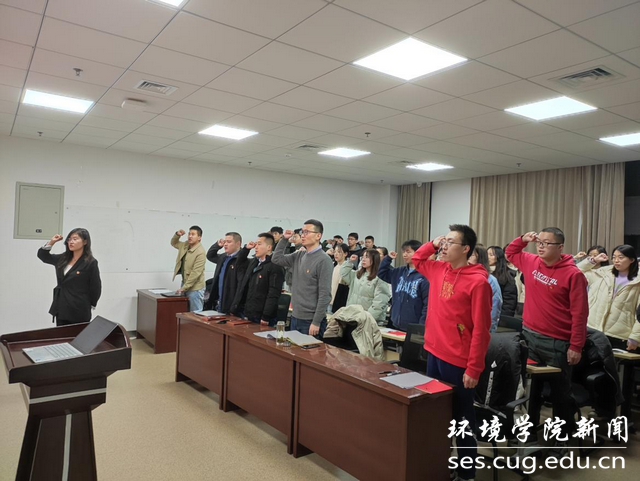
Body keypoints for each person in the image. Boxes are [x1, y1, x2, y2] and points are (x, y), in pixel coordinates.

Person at [412, 225, 492, 481]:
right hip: (434, 353)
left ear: (466, 249)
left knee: (462, 419)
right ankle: (440, 465)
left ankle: (467, 473)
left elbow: (481, 330)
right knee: (438, 415)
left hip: (458, 361)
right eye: (443, 242)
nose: (444, 247)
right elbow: (417, 259)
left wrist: (474, 368)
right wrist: (432, 244)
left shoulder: (478, 282)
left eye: (450, 242)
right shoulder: (438, 269)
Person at [506, 228, 588, 440]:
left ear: (560, 247)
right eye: (539, 242)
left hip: (557, 342)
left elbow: (580, 314)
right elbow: (510, 253)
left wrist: (576, 346)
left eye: (547, 243)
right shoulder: (531, 261)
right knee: (532, 389)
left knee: (560, 393)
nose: (541, 246)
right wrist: (523, 239)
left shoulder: (574, 274)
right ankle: (530, 430)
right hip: (529, 336)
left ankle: (562, 438)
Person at [272, 220, 333, 337]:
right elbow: (276, 259)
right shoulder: (299, 255)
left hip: (310, 320)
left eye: (306, 232)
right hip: (295, 316)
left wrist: (316, 322)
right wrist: (284, 239)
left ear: (318, 236)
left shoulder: (324, 260)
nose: (302, 235)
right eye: (302, 232)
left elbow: (325, 295)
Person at [577, 245, 639, 350]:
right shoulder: (602, 273)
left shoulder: (637, 281)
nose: (616, 260)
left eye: (621, 257)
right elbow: (575, 271)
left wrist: (636, 336)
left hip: (619, 335)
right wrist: (593, 260)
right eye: (614, 257)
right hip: (593, 328)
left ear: (632, 260)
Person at [37, 229, 102, 326]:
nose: (71, 242)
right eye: (69, 239)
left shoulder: (90, 262)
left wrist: (92, 303)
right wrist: (52, 242)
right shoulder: (62, 258)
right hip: (61, 306)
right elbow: (43, 256)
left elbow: (95, 286)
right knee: (61, 334)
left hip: (79, 307)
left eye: (75, 239)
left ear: (85, 241)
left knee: (78, 334)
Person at [231, 233, 284, 326]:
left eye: (259, 244)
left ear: (269, 247)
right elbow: (239, 263)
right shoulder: (254, 262)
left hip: (262, 315)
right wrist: (246, 249)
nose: (256, 247)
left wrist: (266, 316)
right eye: (256, 244)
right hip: (249, 311)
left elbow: (273, 294)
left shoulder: (275, 266)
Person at [377, 240, 429, 331]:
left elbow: (427, 304)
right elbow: (381, 273)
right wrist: (388, 259)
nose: (404, 255)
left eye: (408, 252)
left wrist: (421, 326)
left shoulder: (424, 275)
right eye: (403, 252)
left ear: (418, 253)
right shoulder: (399, 271)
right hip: (395, 321)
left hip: (414, 325)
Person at [340, 249, 391, 326]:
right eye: (362, 257)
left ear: (374, 259)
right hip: (352, 317)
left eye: (367, 257)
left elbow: (380, 302)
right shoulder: (358, 274)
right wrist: (349, 262)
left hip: (369, 320)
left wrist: (366, 318)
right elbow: (343, 274)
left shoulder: (380, 278)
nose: (363, 259)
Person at [203, 232, 250, 313]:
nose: (225, 244)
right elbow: (210, 256)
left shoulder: (242, 260)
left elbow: (241, 287)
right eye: (225, 242)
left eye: (229, 242)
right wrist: (217, 245)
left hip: (232, 303)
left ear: (238, 244)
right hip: (219, 301)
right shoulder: (223, 257)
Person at [171, 226, 207, 311]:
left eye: (193, 234)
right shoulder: (185, 245)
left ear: (199, 237)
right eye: (189, 234)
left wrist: (184, 288)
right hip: (185, 284)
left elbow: (196, 273)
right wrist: (177, 235)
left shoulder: (200, 252)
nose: (190, 236)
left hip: (195, 288)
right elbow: (174, 243)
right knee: (184, 313)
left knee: (195, 314)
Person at [469, 245, 503, 332]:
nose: (467, 257)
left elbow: (494, 308)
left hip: (481, 328)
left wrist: (487, 329)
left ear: (480, 258)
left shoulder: (490, 280)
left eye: (471, 255)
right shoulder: (464, 276)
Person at [487, 246, 517, 317]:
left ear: (498, 257)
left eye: (491, 255)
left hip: (499, 315)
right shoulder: (482, 272)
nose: (488, 257)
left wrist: (502, 317)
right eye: (486, 254)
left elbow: (509, 302)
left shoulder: (506, 276)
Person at [330, 243, 350, 313]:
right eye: (334, 252)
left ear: (345, 254)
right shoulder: (333, 266)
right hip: (329, 300)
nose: (336, 254)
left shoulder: (348, 268)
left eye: (339, 252)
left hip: (339, 303)